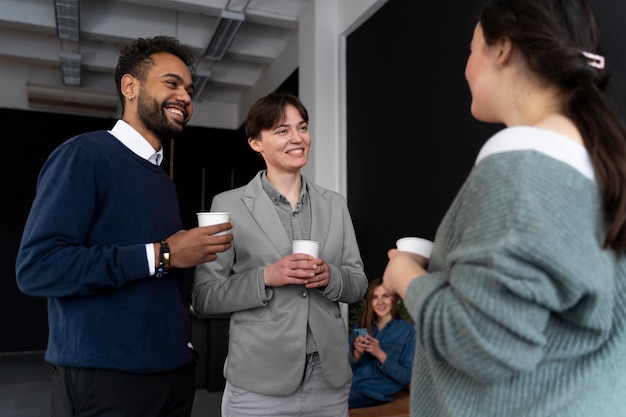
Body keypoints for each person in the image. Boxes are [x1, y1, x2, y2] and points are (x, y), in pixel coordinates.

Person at [382, 0, 626, 416]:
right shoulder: (598, 164)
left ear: (502, 50)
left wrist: (405, 275)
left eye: (472, 48)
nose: (466, 67)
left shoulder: (522, 166)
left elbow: (479, 342)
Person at [15, 36, 233, 417]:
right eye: (172, 83)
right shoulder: (84, 156)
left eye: (189, 89)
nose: (185, 97)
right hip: (108, 382)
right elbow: (38, 268)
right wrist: (163, 254)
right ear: (129, 87)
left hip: (173, 376)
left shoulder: (160, 176)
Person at [190, 92, 369, 417]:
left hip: (328, 380)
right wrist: (266, 277)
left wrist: (331, 277)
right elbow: (204, 297)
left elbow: (357, 285)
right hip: (259, 381)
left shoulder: (335, 204)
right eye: (282, 130)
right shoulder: (228, 206)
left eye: (302, 127)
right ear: (256, 142)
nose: (297, 138)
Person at [348, 278, 415, 409]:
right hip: (349, 385)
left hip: (374, 392)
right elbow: (343, 368)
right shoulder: (360, 328)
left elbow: (407, 377)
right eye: (375, 297)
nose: (380, 302)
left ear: (393, 299)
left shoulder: (408, 331)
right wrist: (356, 354)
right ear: (370, 302)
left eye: (385, 296)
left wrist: (380, 354)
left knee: (323, 404)